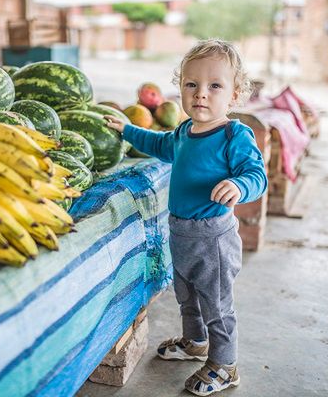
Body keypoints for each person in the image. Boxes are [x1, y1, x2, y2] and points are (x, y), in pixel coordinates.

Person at [105, 38, 268, 396]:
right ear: (180, 89)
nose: (201, 94)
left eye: (214, 86)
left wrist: (239, 186)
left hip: (213, 240)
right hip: (180, 234)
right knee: (187, 296)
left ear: (235, 94)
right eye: (191, 84)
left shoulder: (233, 135)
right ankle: (196, 343)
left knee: (217, 304)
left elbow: (257, 175)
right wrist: (126, 130)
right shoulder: (182, 132)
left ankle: (225, 365)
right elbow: (158, 145)